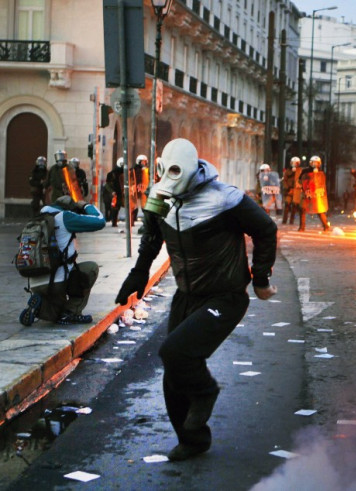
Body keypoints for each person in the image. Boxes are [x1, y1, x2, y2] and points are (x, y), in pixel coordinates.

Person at [114, 138, 278, 461]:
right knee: (173, 372)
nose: (170, 179)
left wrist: (260, 277)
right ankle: (193, 440)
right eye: (166, 171)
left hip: (225, 295)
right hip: (187, 295)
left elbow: (266, 228)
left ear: (190, 169)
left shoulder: (225, 198)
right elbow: (151, 238)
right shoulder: (161, 196)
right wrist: (139, 273)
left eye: (177, 171)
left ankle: (205, 392)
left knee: (174, 351)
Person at [19, 195, 106, 326]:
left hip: (34, 281)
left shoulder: (38, 217)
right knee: (91, 268)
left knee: (54, 311)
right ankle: (71, 312)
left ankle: (40, 302)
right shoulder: (65, 216)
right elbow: (100, 221)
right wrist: (85, 206)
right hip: (57, 282)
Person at [298, 156, 330, 232]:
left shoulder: (321, 172)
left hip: (316, 194)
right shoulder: (305, 171)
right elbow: (300, 180)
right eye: (313, 162)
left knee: (319, 209)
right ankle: (302, 227)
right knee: (302, 209)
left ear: (319, 164)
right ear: (310, 163)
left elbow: (323, 183)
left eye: (317, 163)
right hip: (307, 193)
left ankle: (326, 226)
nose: (315, 164)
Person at [281, 157, 301, 225]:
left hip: (296, 191)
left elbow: (303, 180)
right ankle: (284, 220)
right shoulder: (288, 171)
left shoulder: (300, 171)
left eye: (296, 163)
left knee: (294, 206)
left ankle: (291, 220)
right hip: (289, 190)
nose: (294, 164)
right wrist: (287, 187)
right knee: (287, 204)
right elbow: (284, 180)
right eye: (293, 163)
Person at [106, 158, 125, 227]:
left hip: (123, 192)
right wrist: (112, 192)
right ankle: (114, 221)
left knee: (130, 207)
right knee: (115, 208)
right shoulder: (112, 174)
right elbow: (108, 184)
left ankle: (130, 222)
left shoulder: (126, 173)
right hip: (116, 193)